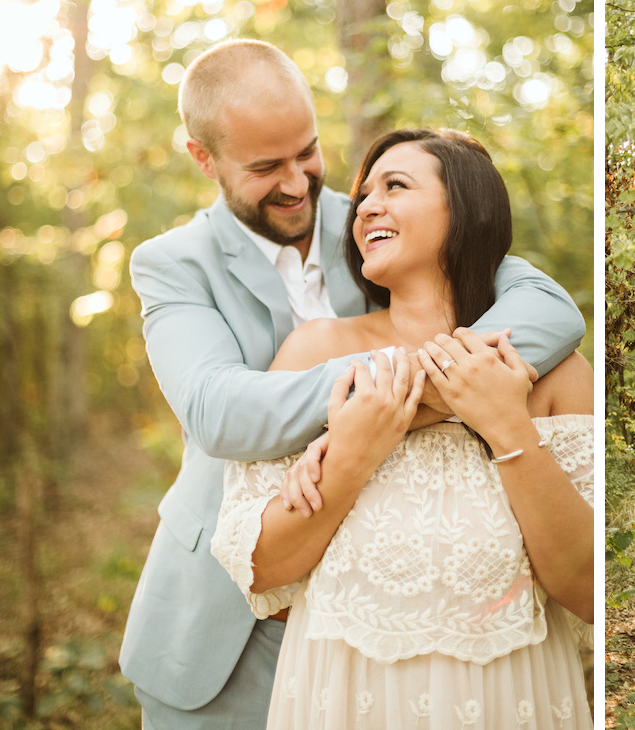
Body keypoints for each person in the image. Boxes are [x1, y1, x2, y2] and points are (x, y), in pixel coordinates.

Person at [119, 40, 586, 729]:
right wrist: (375, 403)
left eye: (306, 151)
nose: (299, 182)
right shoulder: (173, 263)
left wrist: (433, 396)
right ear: (204, 158)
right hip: (220, 623)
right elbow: (218, 413)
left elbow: (548, 311)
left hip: (395, 621)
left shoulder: (379, 221)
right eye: (265, 166)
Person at [210, 128, 593, 729]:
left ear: (464, 211)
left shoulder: (555, 375)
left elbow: (592, 590)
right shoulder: (314, 352)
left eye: (395, 186)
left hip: (508, 702)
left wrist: (505, 425)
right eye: (363, 195)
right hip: (342, 700)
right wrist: (351, 459)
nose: (365, 206)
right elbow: (255, 567)